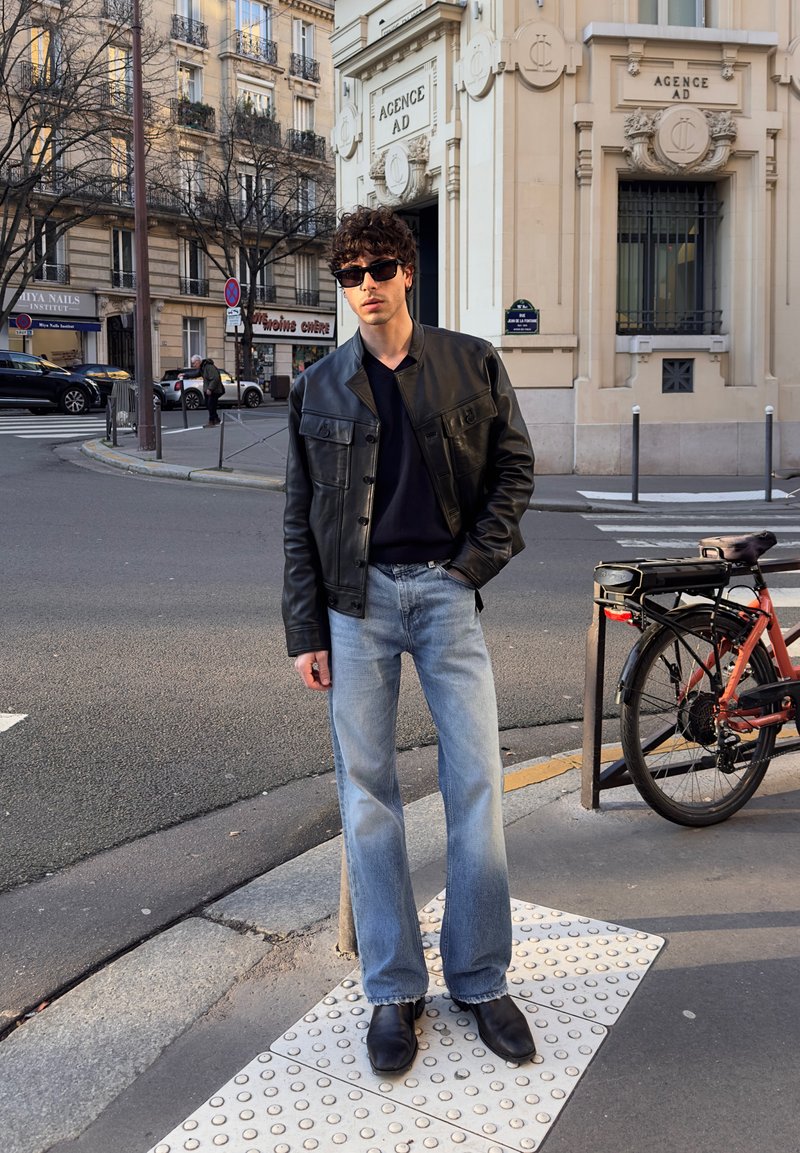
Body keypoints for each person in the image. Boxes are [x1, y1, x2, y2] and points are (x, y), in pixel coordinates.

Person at [282, 206, 536, 1076]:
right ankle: (393, 990)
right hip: (355, 607)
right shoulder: (318, 384)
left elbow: (514, 468)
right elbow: (298, 518)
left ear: (407, 273)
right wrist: (304, 627)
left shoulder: (470, 362)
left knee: (476, 782)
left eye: (378, 269)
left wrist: (471, 567)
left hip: (444, 591)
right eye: (349, 275)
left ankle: (479, 978)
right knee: (367, 795)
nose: (364, 287)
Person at [191, 353, 223, 426]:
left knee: (211, 405)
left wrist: (210, 389)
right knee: (209, 405)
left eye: (194, 363)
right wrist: (185, 375)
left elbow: (215, 378)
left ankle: (211, 421)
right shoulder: (202, 367)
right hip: (209, 389)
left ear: (198, 361)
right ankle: (216, 419)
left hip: (214, 390)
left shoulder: (208, 367)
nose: (193, 365)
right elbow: (195, 374)